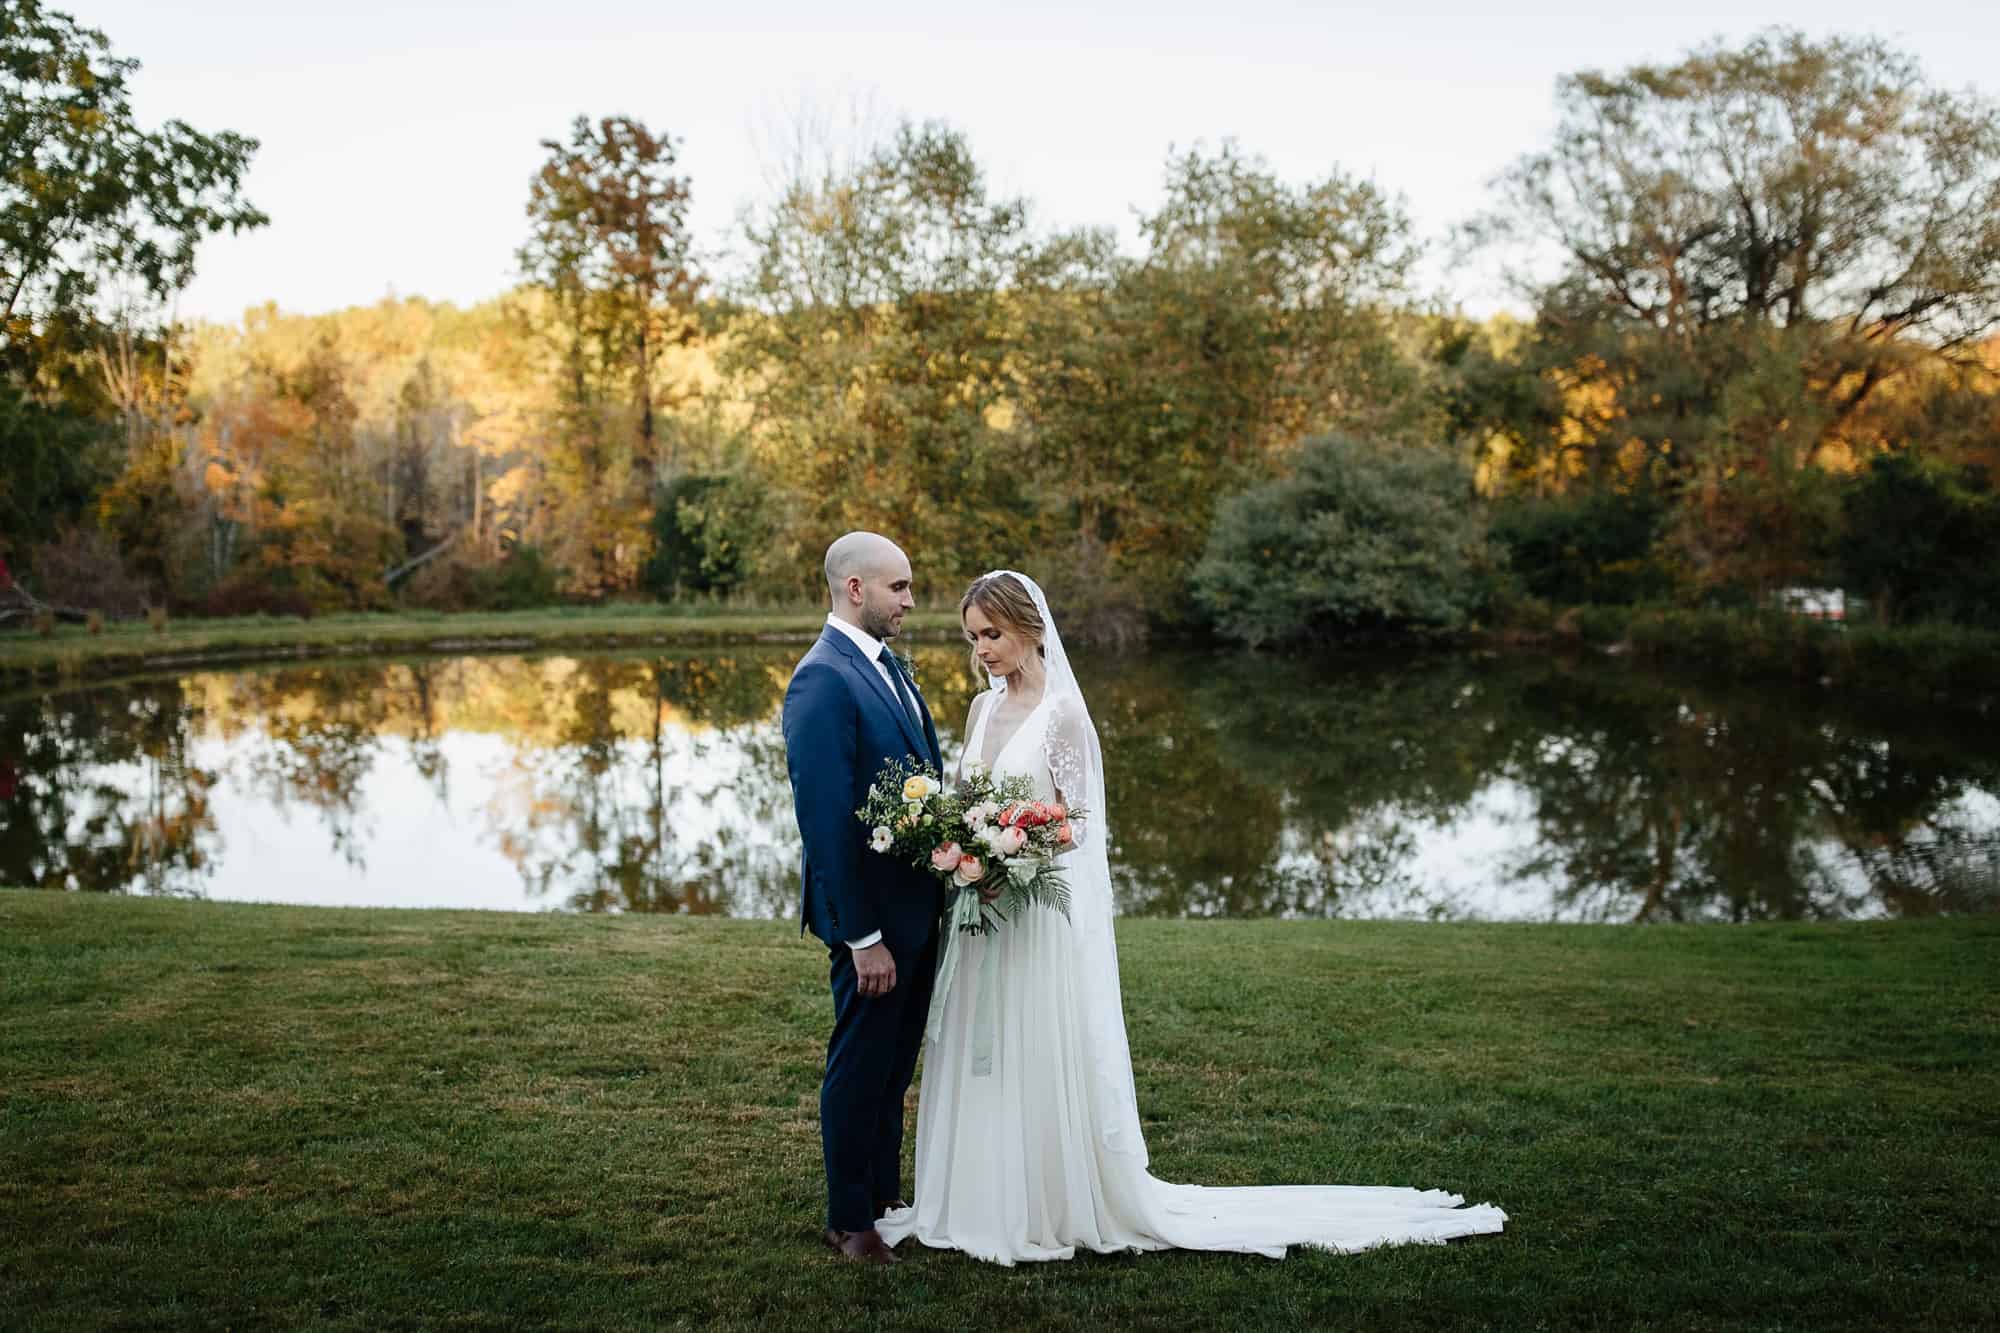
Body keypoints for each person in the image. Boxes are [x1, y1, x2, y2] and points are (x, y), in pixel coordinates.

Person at [875, 569, 1508, 1265]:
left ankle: (1043, 1202)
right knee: (981, 1051)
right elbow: (969, 800)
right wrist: (962, 847)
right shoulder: (978, 709)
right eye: (973, 637)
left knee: (1033, 1048)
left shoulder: (1064, 715)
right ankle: (974, 1197)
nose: (983, 649)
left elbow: (1076, 824)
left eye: (992, 634)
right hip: (984, 914)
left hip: (1034, 913)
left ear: (1029, 627)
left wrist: (1007, 850)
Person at [780, 532, 945, 1266]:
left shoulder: (887, 667)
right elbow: (823, 821)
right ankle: (849, 1220)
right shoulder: (822, 678)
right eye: (899, 587)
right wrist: (861, 935)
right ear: (855, 588)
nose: (910, 601)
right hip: (873, 926)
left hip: (918, 914)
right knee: (858, 1065)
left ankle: (883, 1195)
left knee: (893, 1065)